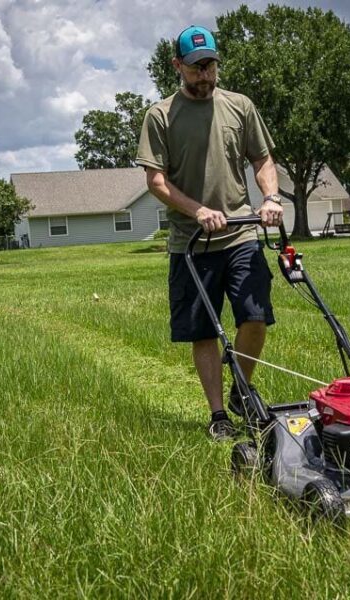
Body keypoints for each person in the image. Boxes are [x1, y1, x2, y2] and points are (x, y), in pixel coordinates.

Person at [136, 24, 283, 441]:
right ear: (177, 66)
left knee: (255, 315)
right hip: (190, 242)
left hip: (240, 233)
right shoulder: (160, 115)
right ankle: (219, 415)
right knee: (203, 330)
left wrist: (270, 198)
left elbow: (263, 159)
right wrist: (198, 210)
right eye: (197, 67)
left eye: (211, 66)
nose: (205, 75)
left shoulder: (240, 106)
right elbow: (156, 182)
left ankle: (241, 390)